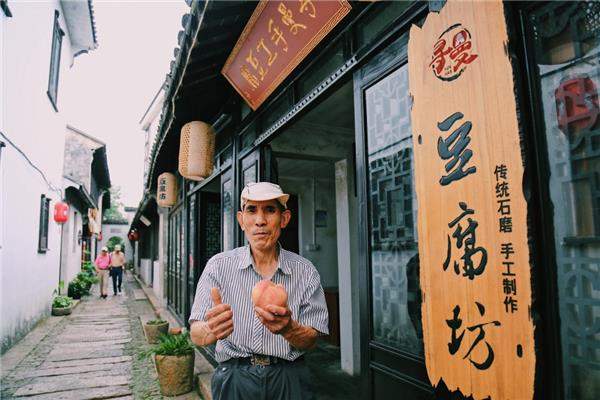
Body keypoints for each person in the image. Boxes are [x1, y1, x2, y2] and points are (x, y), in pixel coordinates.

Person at [189, 182, 329, 400]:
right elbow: (196, 333)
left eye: (270, 210)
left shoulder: (305, 272)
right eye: (251, 210)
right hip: (234, 378)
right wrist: (211, 328)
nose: (260, 220)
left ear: (284, 219)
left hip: (289, 377)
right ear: (241, 220)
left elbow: (312, 339)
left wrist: (289, 329)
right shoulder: (218, 266)